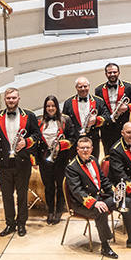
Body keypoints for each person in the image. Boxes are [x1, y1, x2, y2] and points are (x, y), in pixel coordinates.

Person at [65, 137, 131, 258]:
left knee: (126, 201)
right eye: (82, 148)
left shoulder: (93, 160)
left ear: (92, 149)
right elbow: (77, 191)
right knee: (101, 211)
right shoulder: (72, 167)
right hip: (83, 204)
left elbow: (104, 180)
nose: (85, 150)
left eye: (87, 148)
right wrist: (94, 203)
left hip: (99, 197)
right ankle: (105, 246)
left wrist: (116, 192)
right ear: (77, 149)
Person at [0, 88, 41, 237]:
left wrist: (27, 142)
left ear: (19, 99)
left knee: (22, 195)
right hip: (4, 163)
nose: (11, 100)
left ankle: (21, 223)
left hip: (22, 162)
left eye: (13, 98)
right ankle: (10, 224)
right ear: (5, 99)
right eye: (8, 98)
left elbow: (37, 134)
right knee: (7, 195)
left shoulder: (29, 115)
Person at [37, 95, 77, 225]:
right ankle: (50, 210)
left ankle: (59, 210)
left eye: (53, 106)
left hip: (61, 159)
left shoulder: (66, 120)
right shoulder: (39, 121)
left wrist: (62, 145)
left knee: (60, 185)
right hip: (44, 159)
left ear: (57, 107)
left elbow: (72, 138)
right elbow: (36, 139)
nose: (50, 108)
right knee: (48, 186)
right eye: (48, 106)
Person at [95, 63, 131, 156]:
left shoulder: (129, 87)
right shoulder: (99, 90)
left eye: (114, 72)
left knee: (125, 152)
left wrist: (127, 107)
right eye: (110, 73)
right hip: (106, 128)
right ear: (106, 74)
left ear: (119, 73)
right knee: (108, 152)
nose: (112, 74)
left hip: (122, 125)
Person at [62, 77, 110, 158]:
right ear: (76, 87)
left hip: (93, 140)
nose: (83, 89)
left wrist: (96, 120)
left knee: (92, 162)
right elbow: (64, 122)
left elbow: (108, 117)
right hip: (75, 141)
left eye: (85, 86)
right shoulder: (68, 103)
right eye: (80, 87)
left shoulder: (98, 101)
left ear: (89, 86)